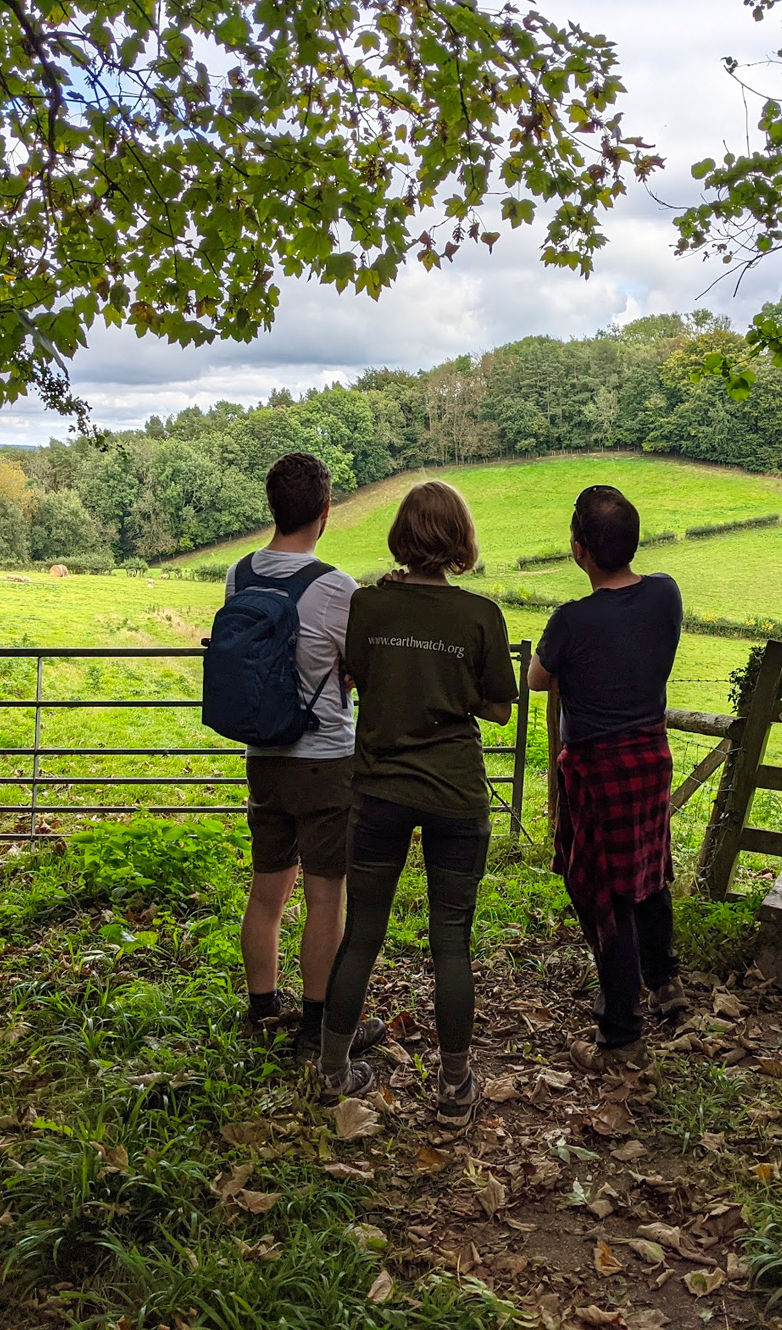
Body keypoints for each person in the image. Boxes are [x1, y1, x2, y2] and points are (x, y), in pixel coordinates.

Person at [316, 480, 518, 1129]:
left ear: (401, 536)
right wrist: (452, 689)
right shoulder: (481, 616)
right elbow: (496, 707)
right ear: (460, 541)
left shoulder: (368, 607)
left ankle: (331, 1073)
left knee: (363, 934)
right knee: (451, 940)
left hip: (378, 791)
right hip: (456, 792)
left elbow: (361, 679)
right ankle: (455, 1086)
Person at [226, 452, 385, 1061]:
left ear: (272, 508)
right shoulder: (334, 588)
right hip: (323, 758)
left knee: (266, 892)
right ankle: (315, 1027)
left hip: (262, 754)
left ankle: (261, 1011)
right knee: (326, 896)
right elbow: (358, 667)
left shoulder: (239, 576)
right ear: (325, 512)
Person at [528, 484, 686, 1071]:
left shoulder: (570, 620)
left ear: (578, 550)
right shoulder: (666, 595)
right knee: (649, 869)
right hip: (651, 756)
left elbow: (537, 681)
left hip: (597, 769)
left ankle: (620, 1034)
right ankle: (665, 981)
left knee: (603, 893)